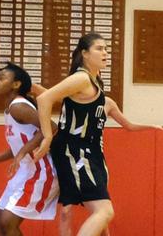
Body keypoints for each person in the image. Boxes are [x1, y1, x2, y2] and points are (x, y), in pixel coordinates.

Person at [33, 33, 114, 236]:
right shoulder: (81, 78)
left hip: (88, 151)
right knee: (103, 211)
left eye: (106, 49)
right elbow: (44, 100)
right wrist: (47, 137)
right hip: (75, 150)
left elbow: (55, 98)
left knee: (95, 212)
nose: (105, 53)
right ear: (85, 54)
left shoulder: (93, 81)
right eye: (99, 48)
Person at [55, 94, 163, 236]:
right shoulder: (72, 97)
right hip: (71, 158)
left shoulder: (107, 102)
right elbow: (47, 94)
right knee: (68, 212)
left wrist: (152, 125)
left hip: (94, 160)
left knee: (101, 212)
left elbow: (128, 125)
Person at [0, 63, 58, 236]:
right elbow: (17, 148)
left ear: (16, 84)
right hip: (26, 171)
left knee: (7, 221)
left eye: (1, 78)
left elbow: (51, 126)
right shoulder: (10, 110)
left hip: (42, 170)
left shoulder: (18, 107)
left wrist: (21, 153)